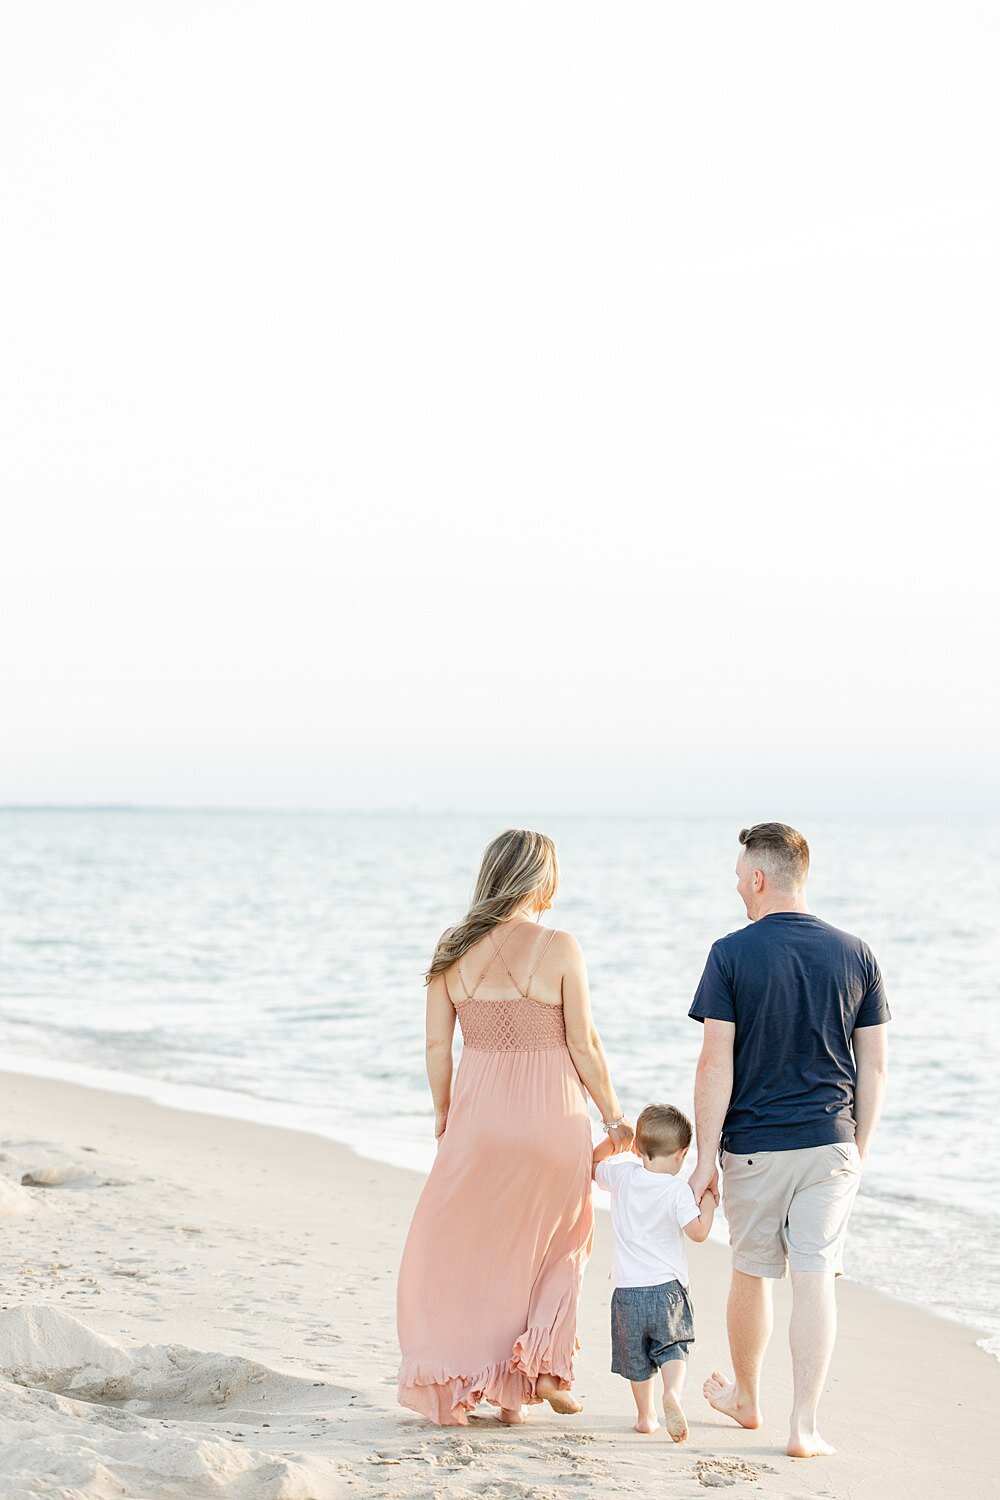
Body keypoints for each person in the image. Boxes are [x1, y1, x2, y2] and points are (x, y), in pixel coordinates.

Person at [397, 828, 634, 1427]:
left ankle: (479, 1381)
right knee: (560, 1242)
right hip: (552, 1120)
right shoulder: (559, 945)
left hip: (479, 1123)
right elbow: (583, 1042)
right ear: (542, 879)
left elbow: (435, 1046)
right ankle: (545, 1371)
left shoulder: (451, 947)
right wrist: (613, 1114)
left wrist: (445, 1113)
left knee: (473, 1251)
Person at [687, 822, 890, 1459]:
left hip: (754, 1147)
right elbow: (874, 1066)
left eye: (739, 880)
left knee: (751, 1272)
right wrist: (859, 1148)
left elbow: (715, 1063)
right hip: (832, 1144)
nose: (738, 892)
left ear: (759, 878)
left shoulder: (730, 953)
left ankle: (747, 1399)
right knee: (814, 1277)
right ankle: (803, 1426)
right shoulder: (857, 953)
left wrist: (703, 1160)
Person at [593, 1103, 715, 1442]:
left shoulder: (623, 1175)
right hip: (668, 1291)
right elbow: (699, 1232)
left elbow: (591, 1165)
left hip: (628, 1292)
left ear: (637, 1148)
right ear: (681, 1155)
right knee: (673, 1347)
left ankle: (646, 1417)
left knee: (637, 1358)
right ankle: (672, 1393)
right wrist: (708, 1200)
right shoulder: (677, 1191)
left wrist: (616, 1139)